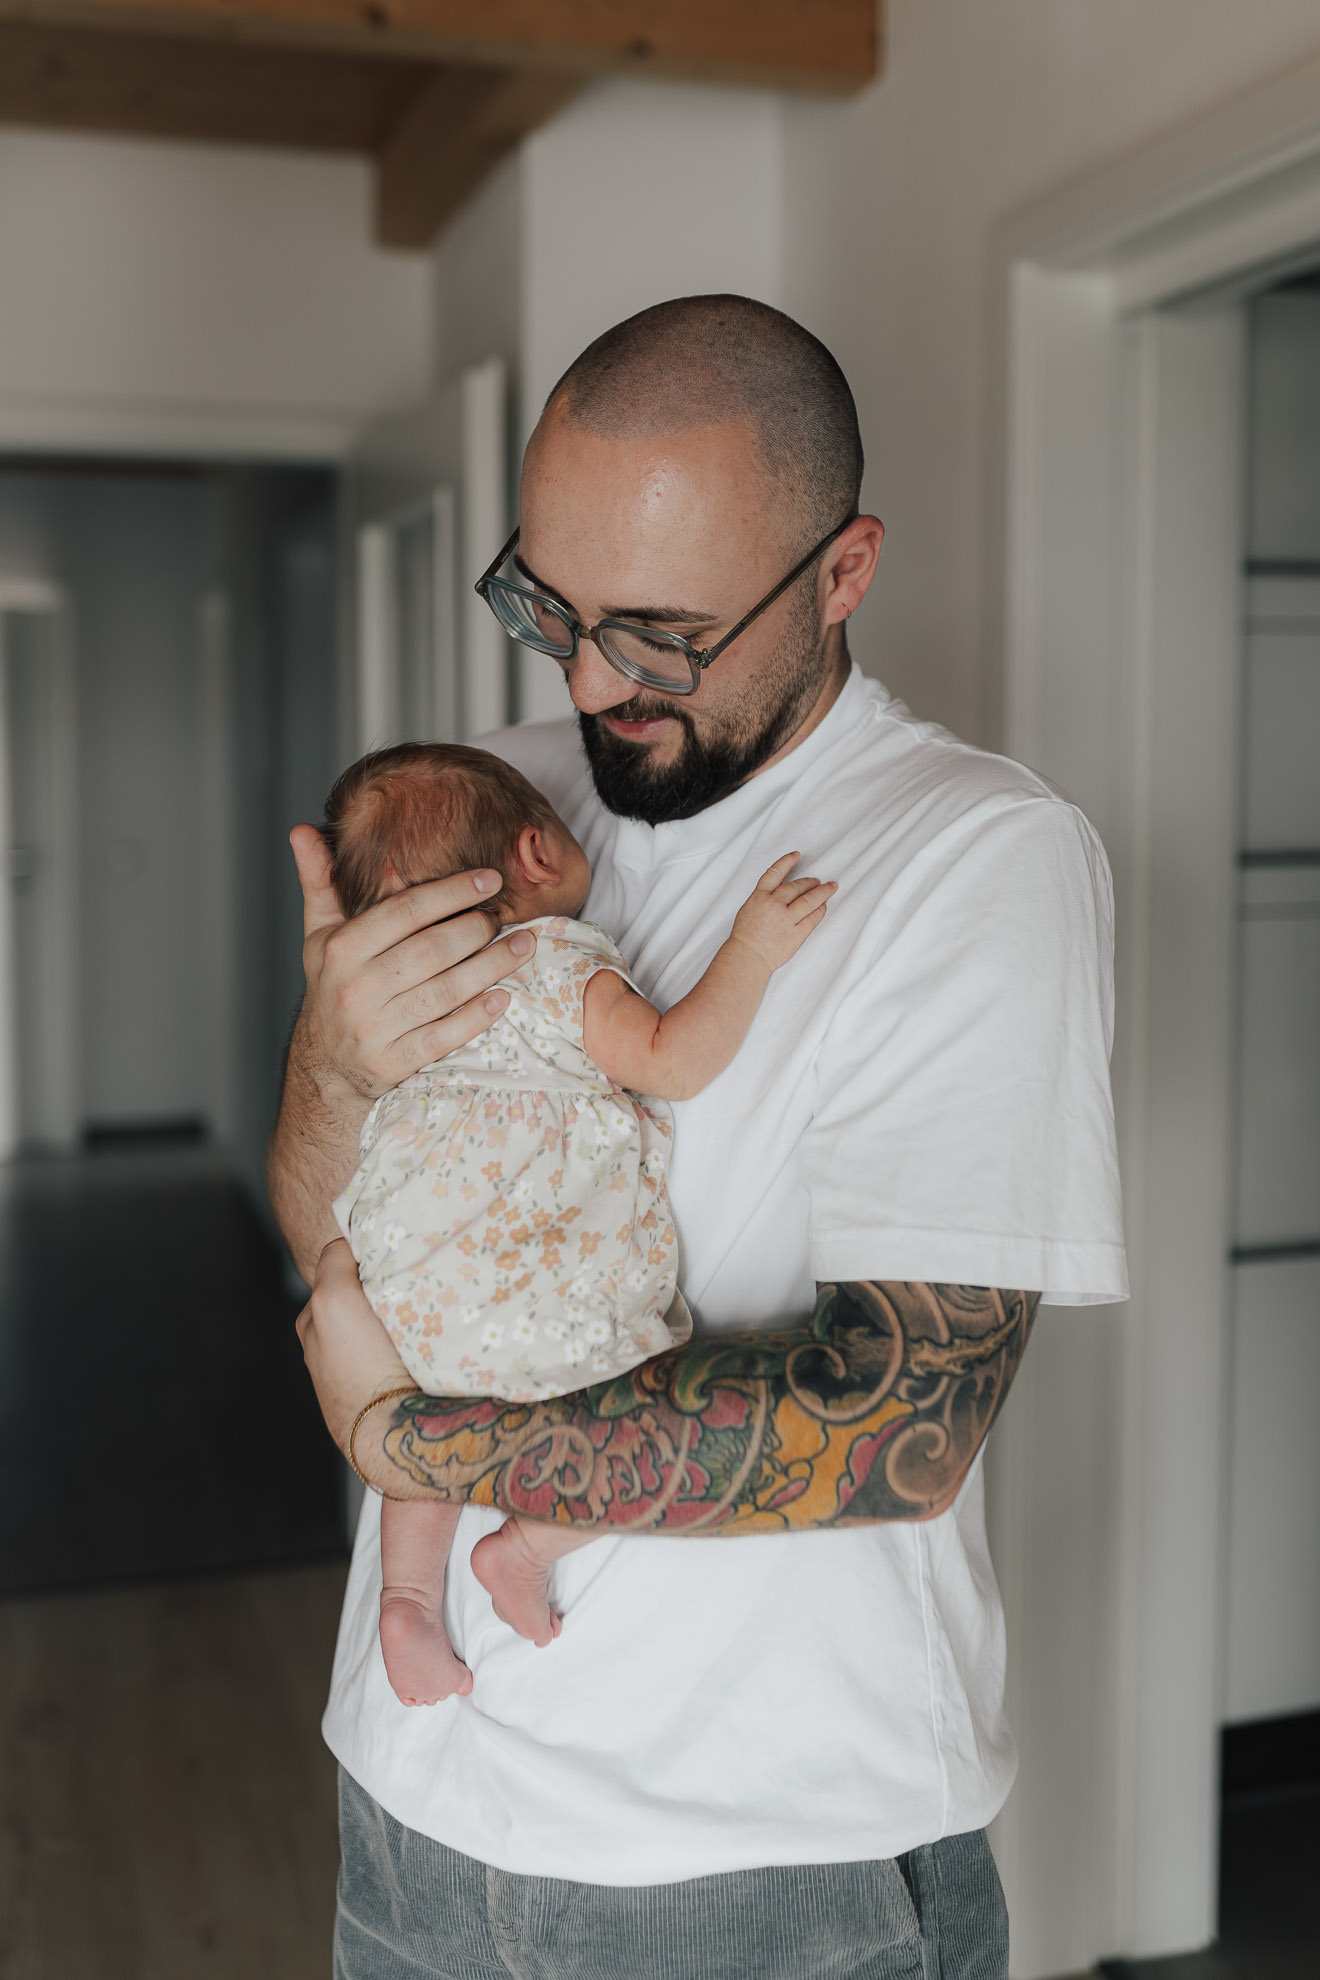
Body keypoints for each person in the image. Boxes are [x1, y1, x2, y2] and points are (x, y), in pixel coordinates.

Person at [270, 295, 1127, 1980]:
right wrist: (328, 1066)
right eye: (552, 605)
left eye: (659, 633)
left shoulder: (975, 860)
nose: (591, 680)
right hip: (408, 1801)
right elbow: (336, 1235)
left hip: (754, 1864)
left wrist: (409, 1445)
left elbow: (896, 1419)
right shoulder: (501, 802)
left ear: (842, 571)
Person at [321, 739, 833, 1704]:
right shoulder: (553, 964)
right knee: (649, 1418)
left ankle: (409, 1599)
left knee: (422, 1420)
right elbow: (671, 1059)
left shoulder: (411, 1016)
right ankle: (526, 1547)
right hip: (537, 1293)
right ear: (537, 857)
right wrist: (752, 949)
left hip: (404, 1291)